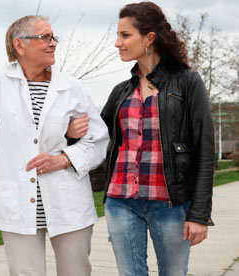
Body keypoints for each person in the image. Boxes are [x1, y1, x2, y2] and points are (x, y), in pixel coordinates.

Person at [67, 2, 215, 275]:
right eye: (118, 35)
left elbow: (205, 152)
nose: (117, 43)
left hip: (170, 204)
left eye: (125, 35)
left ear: (149, 38)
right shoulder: (120, 91)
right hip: (121, 200)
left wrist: (199, 214)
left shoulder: (187, 82)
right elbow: (95, 141)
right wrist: (70, 134)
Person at [0, 15, 109, 276]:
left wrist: (63, 158)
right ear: (20, 45)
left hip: (68, 201)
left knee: (76, 272)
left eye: (54, 37)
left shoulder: (72, 88)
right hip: (16, 200)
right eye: (45, 37)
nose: (53, 43)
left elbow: (97, 139)